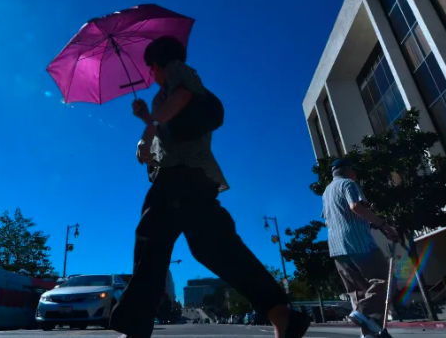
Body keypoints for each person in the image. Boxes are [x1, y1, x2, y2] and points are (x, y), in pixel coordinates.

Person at [109, 36, 309, 338]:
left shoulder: (179, 71)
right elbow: (169, 133)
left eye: (150, 66)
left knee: (152, 243)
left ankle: (134, 328)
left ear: (159, 62)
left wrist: (147, 130)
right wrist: (146, 120)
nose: (150, 73)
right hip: (193, 180)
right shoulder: (161, 99)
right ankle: (280, 312)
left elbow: (184, 96)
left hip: (179, 178)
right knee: (214, 247)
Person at [322, 159, 399, 337]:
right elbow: (355, 206)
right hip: (358, 242)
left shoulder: (326, 192)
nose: (356, 174)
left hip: (336, 247)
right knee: (384, 280)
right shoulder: (348, 184)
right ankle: (363, 313)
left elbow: (326, 220)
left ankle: (368, 334)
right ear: (348, 170)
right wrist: (384, 226)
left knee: (358, 292)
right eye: (354, 171)